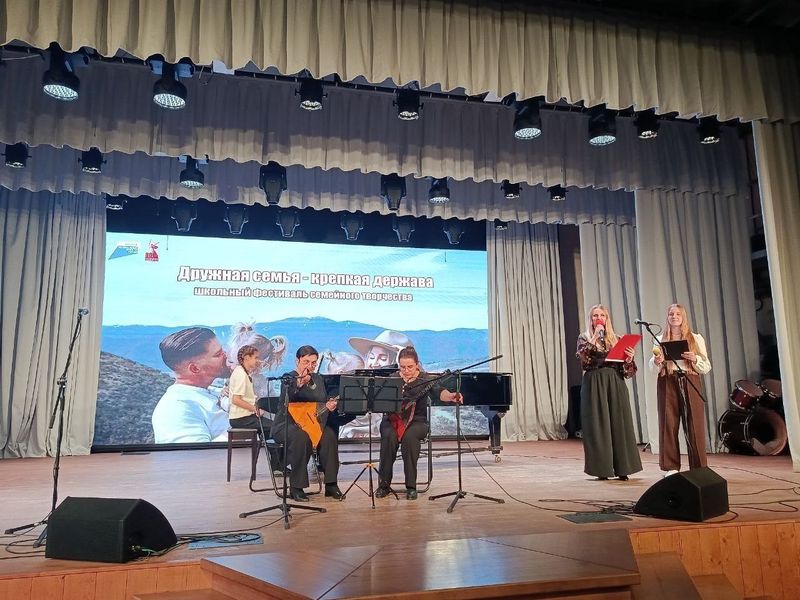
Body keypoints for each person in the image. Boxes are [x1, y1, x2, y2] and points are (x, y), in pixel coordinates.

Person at [375, 346, 463, 500]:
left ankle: (411, 487)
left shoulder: (425, 379)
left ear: (417, 364)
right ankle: (384, 485)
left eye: (410, 367)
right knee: (388, 436)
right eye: (403, 367)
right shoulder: (392, 378)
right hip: (393, 420)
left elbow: (439, 392)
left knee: (410, 438)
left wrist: (450, 396)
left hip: (417, 421)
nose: (406, 370)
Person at [576, 305, 642, 481]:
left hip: (614, 381)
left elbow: (628, 372)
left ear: (607, 319)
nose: (599, 318)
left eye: (602, 315)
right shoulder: (584, 338)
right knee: (598, 425)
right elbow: (584, 361)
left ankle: (623, 468)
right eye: (595, 315)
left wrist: (629, 358)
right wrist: (594, 338)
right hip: (594, 382)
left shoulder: (617, 339)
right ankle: (602, 469)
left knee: (620, 423)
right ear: (591, 319)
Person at [271, 345, 343, 501]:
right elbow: (288, 396)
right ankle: (296, 487)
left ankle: (331, 484)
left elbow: (321, 402)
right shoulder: (289, 378)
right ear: (297, 361)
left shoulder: (318, 379)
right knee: (301, 437)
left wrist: (329, 405)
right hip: (287, 424)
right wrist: (299, 384)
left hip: (312, 423)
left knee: (329, 435)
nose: (310, 366)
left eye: (313, 363)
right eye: (306, 362)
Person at [649, 304, 712, 477]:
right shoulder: (660, 338)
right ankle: (671, 467)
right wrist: (657, 361)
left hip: (689, 379)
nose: (674, 316)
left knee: (694, 424)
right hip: (668, 380)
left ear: (683, 317)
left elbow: (706, 367)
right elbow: (653, 368)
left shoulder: (695, 338)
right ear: (667, 317)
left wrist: (695, 358)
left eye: (678, 314)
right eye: (671, 314)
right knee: (668, 424)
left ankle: (699, 468)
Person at [152, 327, 231, 444]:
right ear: (195, 368)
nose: (227, 356)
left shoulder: (213, 391)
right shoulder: (175, 408)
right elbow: (190, 454)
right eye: (218, 354)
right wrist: (244, 428)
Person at [340, 330, 413, 438]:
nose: (374, 364)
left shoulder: (407, 383)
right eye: (371, 357)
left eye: (383, 358)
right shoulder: (357, 383)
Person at [227, 344, 273, 434]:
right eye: (256, 358)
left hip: (246, 417)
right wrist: (255, 409)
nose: (258, 361)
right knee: (276, 428)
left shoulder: (243, 373)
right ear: (247, 358)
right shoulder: (241, 374)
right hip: (241, 418)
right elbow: (236, 400)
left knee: (273, 426)